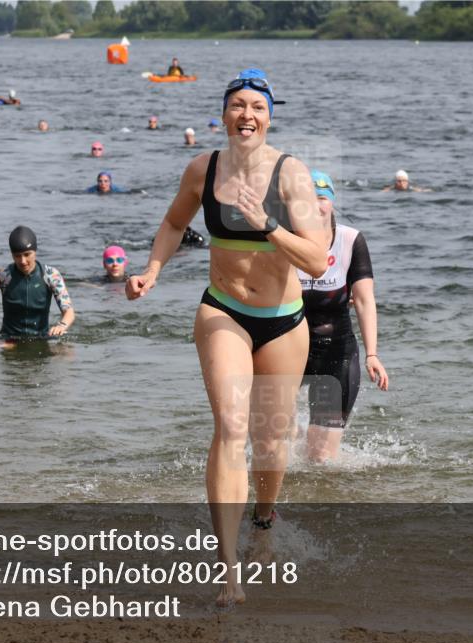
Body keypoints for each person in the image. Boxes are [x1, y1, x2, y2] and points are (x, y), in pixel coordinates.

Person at [125, 68, 326, 607]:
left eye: (257, 107)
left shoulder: (291, 174)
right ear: (223, 115)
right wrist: (152, 270)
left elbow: (316, 259)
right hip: (223, 310)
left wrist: (267, 224)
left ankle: (264, 519)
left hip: (283, 319)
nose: (247, 115)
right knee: (232, 426)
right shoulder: (202, 169)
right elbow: (174, 224)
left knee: (271, 441)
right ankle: (228, 571)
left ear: (269, 118)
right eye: (238, 105)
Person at [299, 170, 388, 462]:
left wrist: (372, 354)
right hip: (289, 348)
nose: (315, 205)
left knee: (320, 457)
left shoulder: (350, 240)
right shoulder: (286, 241)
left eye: (321, 197)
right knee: (273, 434)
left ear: (332, 202)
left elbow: (363, 299)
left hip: (336, 350)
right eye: (308, 199)